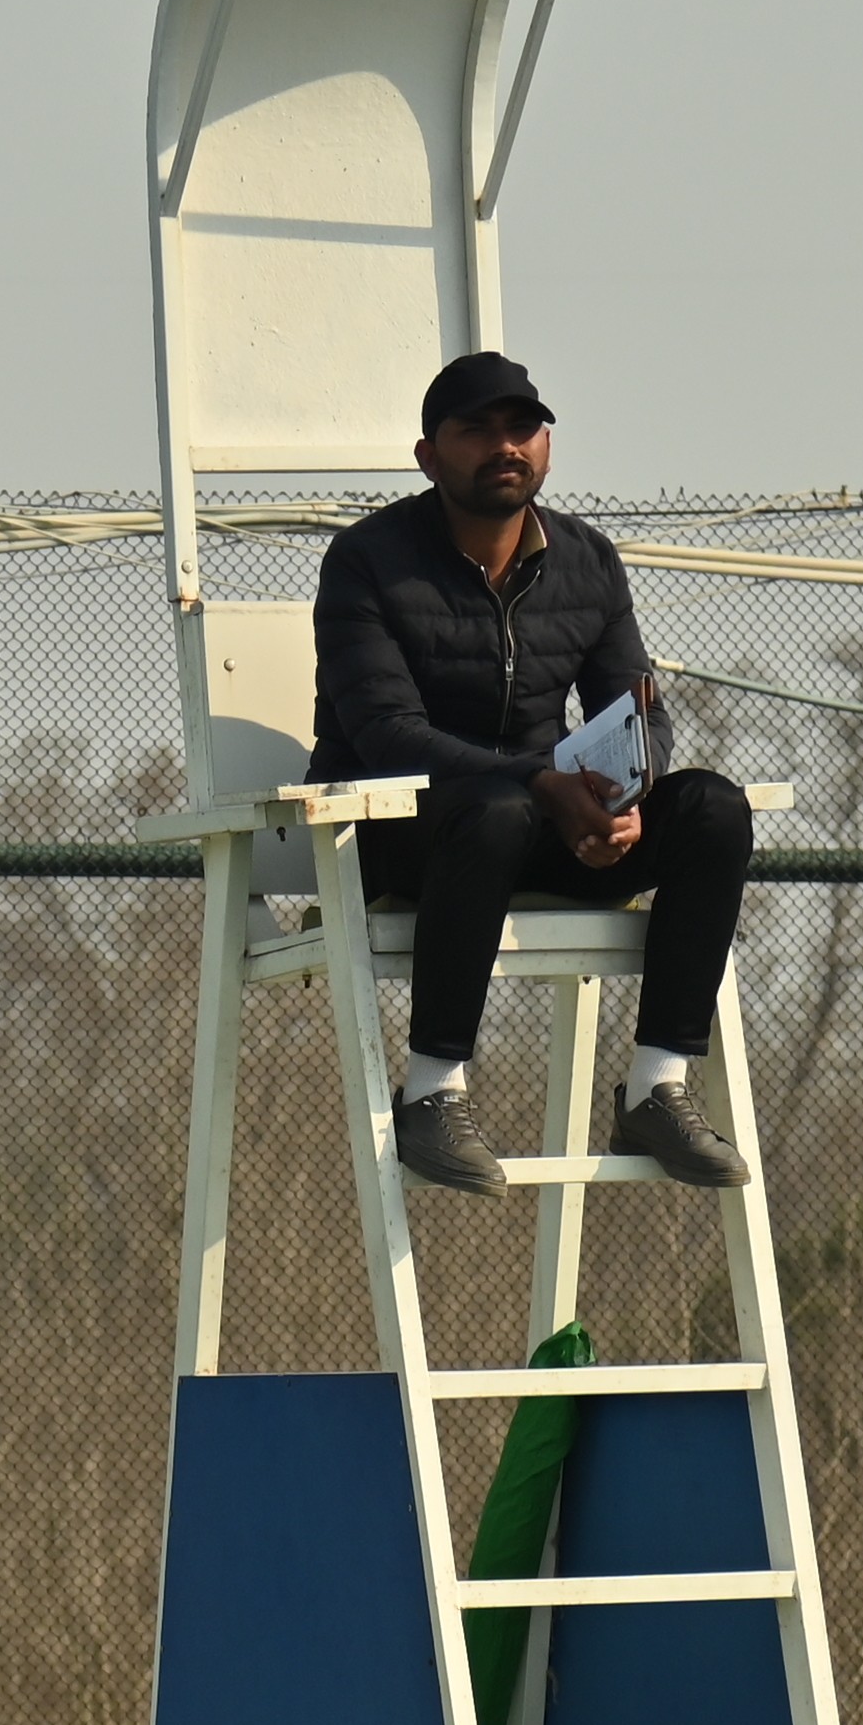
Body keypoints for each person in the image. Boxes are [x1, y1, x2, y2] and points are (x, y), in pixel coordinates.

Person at [311, 350, 756, 1195]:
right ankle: (433, 1096)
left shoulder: (587, 560)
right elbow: (386, 734)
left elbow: (642, 712)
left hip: (541, 825)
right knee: (498, 811)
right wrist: (542, 784)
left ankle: (656, 1088)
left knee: (714, 808)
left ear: (546, 446)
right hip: (399, 831)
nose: (504, 446)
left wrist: (623, 795)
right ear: (428, 456)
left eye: (522, 427)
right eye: (476, 430)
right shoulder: (368, 561)